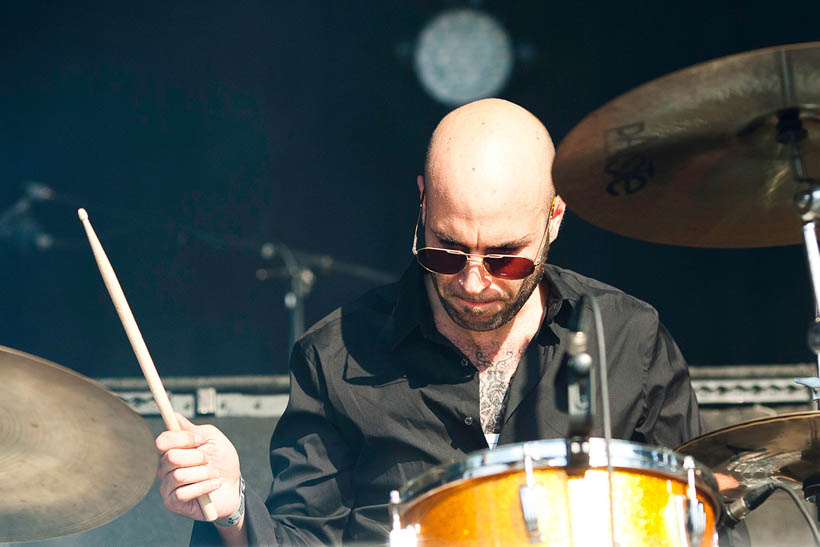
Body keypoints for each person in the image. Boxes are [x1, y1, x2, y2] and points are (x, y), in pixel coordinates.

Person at [155, 98, 702, 546]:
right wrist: (231, 511)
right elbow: (303, 539)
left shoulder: (630, 338)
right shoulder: (337, 358)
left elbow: (707, 519)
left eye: (505, 258)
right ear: (422, 202)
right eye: (446, 249)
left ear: (554, 218)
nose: (472, 281)